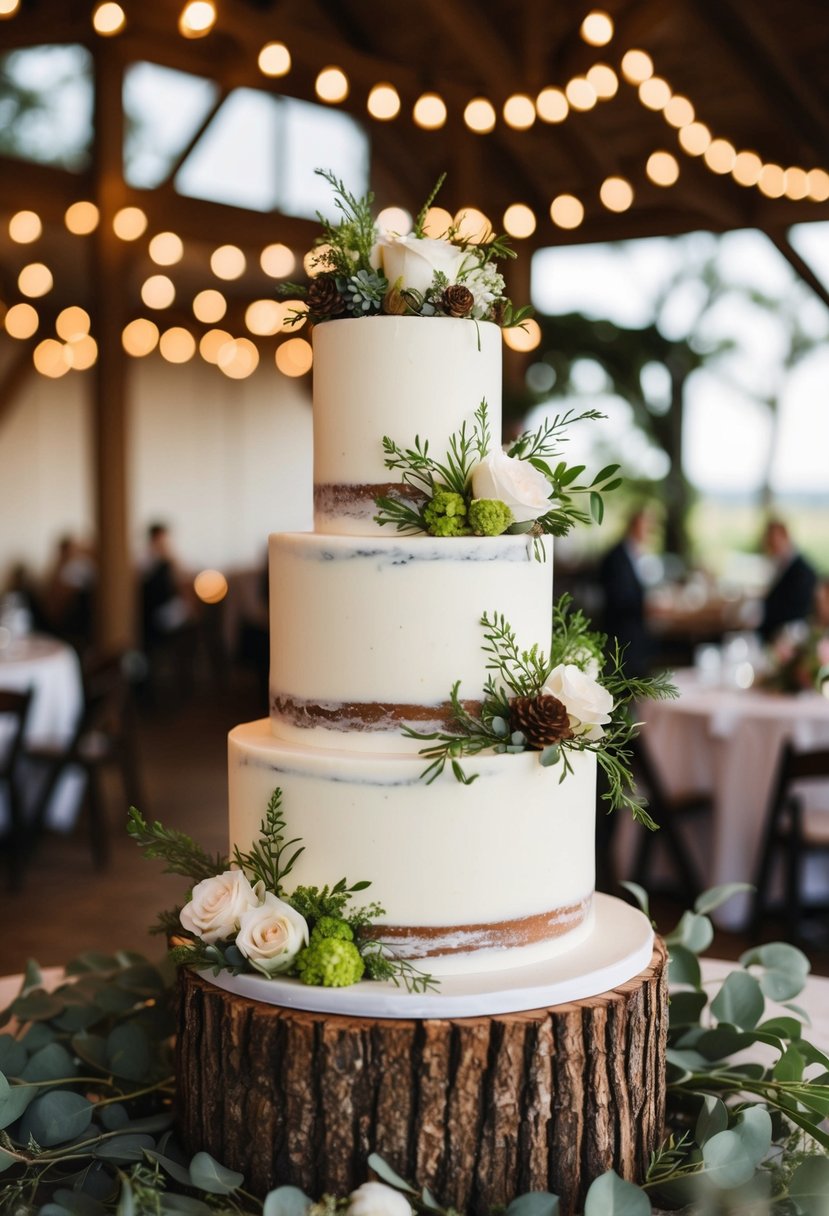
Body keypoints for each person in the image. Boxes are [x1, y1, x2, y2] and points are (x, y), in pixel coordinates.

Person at [597, 507, 657, 679]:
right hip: (621, 633)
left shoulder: (636, 554)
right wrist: (647, 606)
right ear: (634, 525)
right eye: (645, 526)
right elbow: (618, 597)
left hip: (634, 630)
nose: (648, 531)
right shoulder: (616, 557)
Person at [758, 518, 818, 643]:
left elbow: (797, 611)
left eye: (773, 541)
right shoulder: (781, 566)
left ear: (785, 537)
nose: (771, 547)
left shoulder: (802, 572)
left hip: (786, 638)